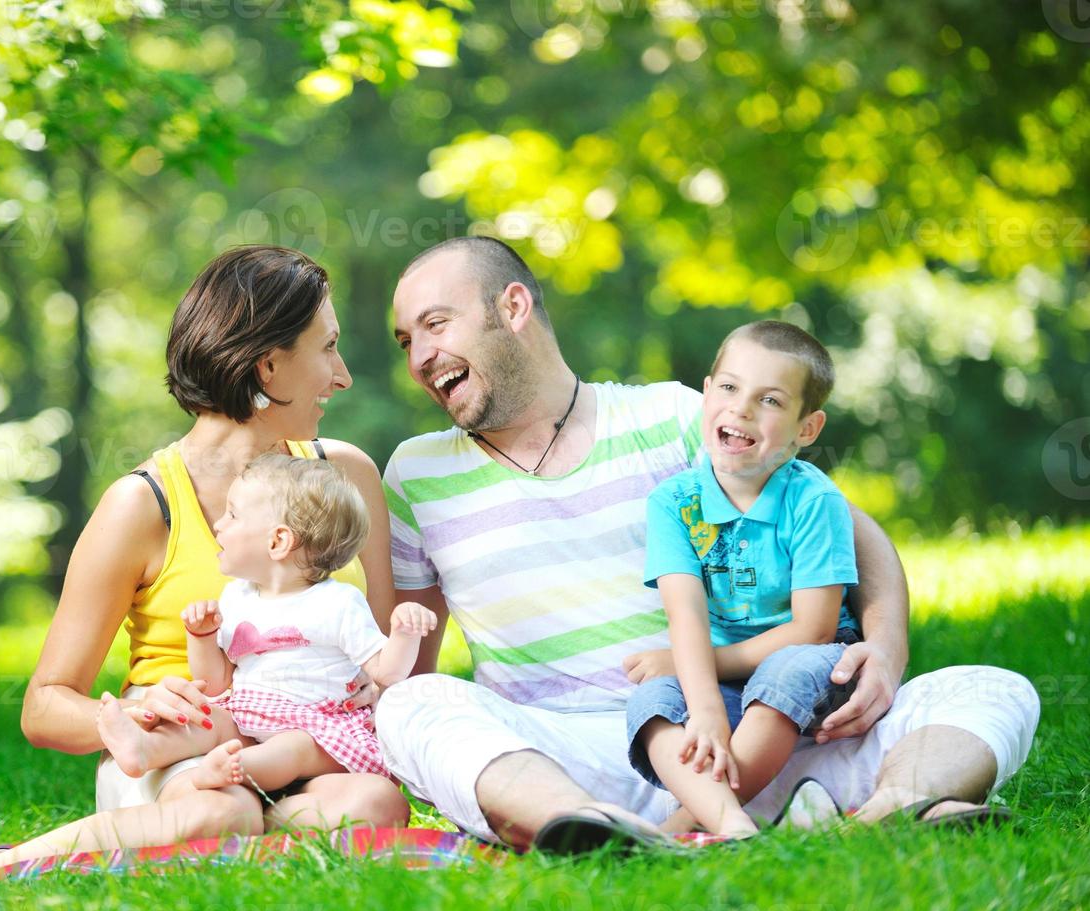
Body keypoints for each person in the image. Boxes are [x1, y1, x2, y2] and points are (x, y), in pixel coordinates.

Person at [376, 236, 1040, 850]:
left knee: (993, 688)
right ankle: (593, 830)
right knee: (410, 707)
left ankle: (890, 810)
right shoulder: (416, 473)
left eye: (436, 325)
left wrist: (887, 654)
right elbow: (411, 662)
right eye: (405, 341)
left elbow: (853, 533)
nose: (419, 358)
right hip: (561, 757)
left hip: (745, 734)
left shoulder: (671, 421)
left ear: (512, 306)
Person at [0, 246, 409, 877]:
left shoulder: (344, 475)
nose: (344, 375)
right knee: (225, 813)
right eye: (327, 349)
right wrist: (138, 714)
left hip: (306, 745)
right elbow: (45, 706)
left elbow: (395, 655)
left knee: (375, 805)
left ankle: (215, 843)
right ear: (268, 367)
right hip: (182, 753)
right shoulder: (142, 505)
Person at [627, 319, 864, 838]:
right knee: (653, 705)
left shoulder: (814, 500)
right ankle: (732, 823)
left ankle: (686, 823)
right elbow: (684, 613)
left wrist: (704, 668)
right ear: (707, 395)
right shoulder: (674, 502)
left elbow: (814, 630)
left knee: (785, 675)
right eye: (730, 388)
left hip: (813, 660)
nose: (741, 408)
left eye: (771, 401)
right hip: (723, 672)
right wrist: (706, 707)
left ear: (807, 428)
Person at [96, 453, 436, 794]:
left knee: (291, 749)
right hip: (251, 714)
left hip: (319, 729)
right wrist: (202, 636)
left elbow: (386, 672)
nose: (219, 525)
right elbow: (215, 683)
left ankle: (235, 770)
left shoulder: (337, 603)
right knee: (208, 718)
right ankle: (143, 749)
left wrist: (405, 635)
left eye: (232, 515)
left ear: (277, 541)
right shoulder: (237, 598)